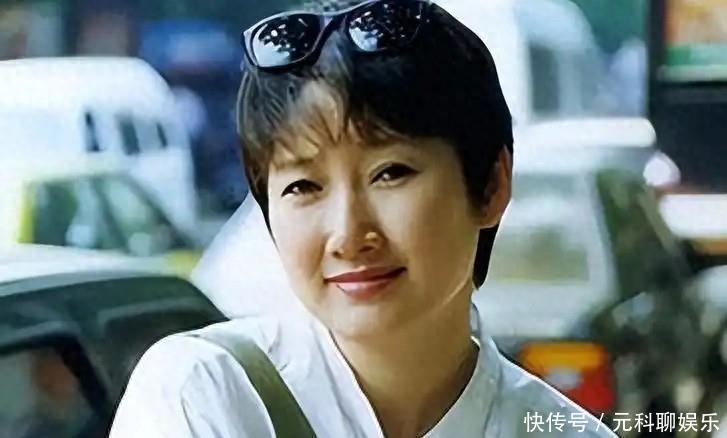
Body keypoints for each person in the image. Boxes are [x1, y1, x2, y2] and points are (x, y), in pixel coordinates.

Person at [110, 0, 617, 436]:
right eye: (304, 186)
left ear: (491, 185)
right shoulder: (204, 393)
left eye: (390, 173)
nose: (348, 234)